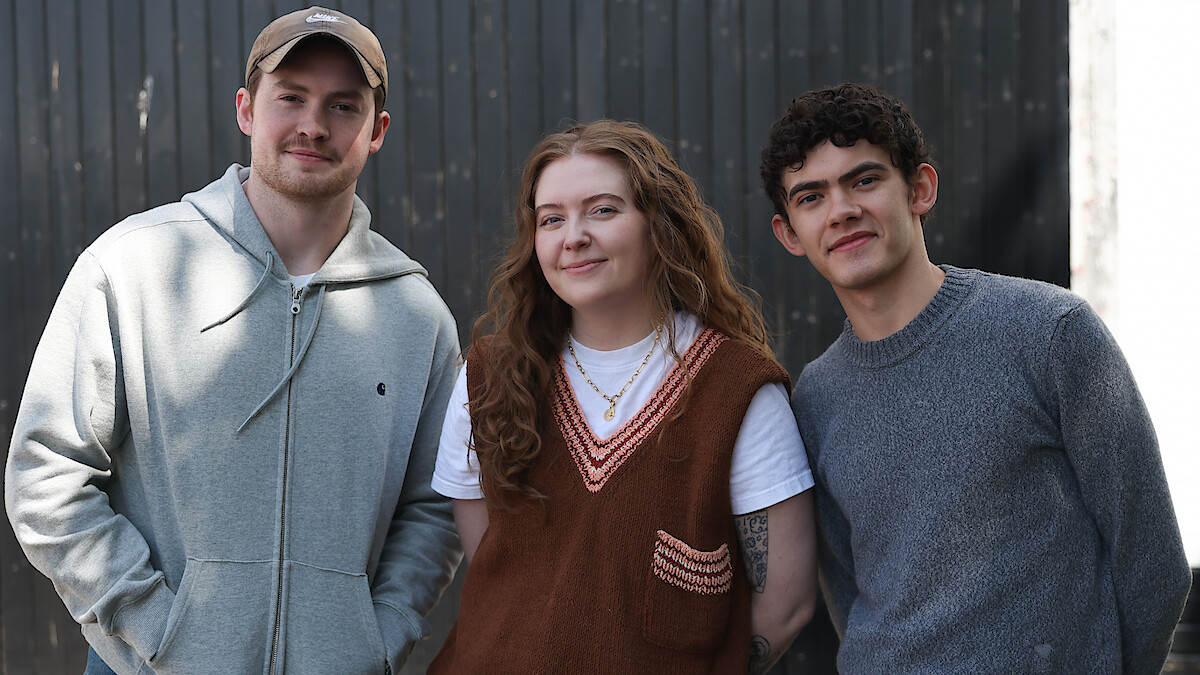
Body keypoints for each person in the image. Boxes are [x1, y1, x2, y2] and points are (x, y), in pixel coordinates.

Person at [5, 7, 461, 674]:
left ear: (376, 131)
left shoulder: (418, 318)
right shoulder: (133, 267)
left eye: (342, 105)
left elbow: (436, 508)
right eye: (292, 98)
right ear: (247, 110)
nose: (313, 124)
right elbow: (46, 472)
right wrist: (162, 630)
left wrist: (377, 638)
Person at [759, 82, 1191, 673]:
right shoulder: (814, 397)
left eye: (864, 180)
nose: (841, 211)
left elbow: (1152, 567)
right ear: (789, 234)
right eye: (811, 197)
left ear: (920, 189)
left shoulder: (1049, 331)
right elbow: (852, 597)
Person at [427, 120, 817, 673]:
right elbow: (492, 559)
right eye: (552, 219)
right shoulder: (488, 377)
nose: (574, 236)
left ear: (660, 225)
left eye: (603, 210)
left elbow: (786, 602)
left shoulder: (737, 389)